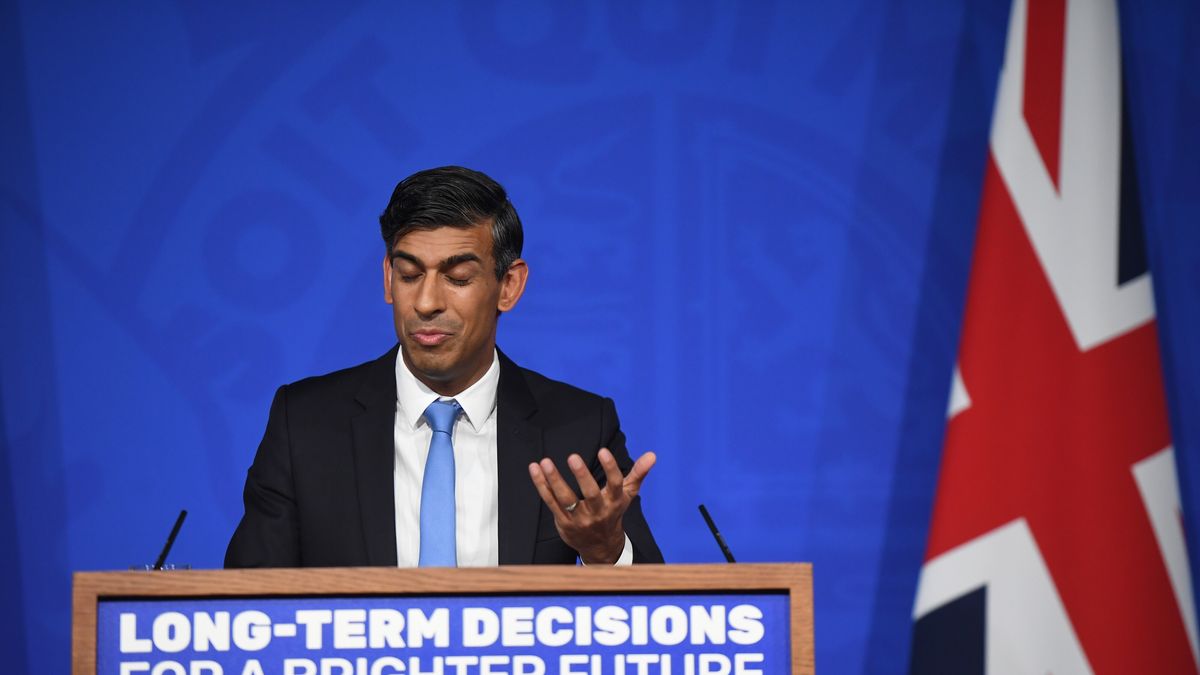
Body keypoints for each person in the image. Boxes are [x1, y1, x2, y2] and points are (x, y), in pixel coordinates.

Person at [225, 166, 662, 567]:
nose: (427, 303)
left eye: (457, 278)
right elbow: (245, 611)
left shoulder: (578, 428)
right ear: (387, 279)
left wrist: (605, 550)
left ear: (508, 285)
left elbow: (655, 620)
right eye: (410, 274)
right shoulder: (303, 423)